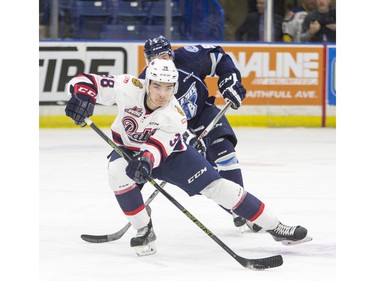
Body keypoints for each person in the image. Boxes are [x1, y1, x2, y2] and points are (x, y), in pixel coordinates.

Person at [65, 58, 312, 256]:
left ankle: (276, 227)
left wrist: (147, 161)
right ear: (148, 82)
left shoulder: (175, 115)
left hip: (172, 155)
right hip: (128, 150)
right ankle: (144, 229)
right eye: (157, 86)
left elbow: (158, 148)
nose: (163, 93)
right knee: (116, 173)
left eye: (169, 88)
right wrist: (83, 97)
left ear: (175, 87)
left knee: (220, 188)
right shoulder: (128, 86)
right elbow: (84, 80)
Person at [139, 35, 261, 232]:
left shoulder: (188, 58)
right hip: (173, 128)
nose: (163, 63)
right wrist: (180, 138)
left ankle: (244, 211)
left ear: (172, 54)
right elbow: (149, 124)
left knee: (225, 152)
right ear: (148, 61)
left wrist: (229, 80)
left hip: (203, 112)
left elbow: (218, 57)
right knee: (205, 174)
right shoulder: (145, 84)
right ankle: (234, 209)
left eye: (166, 57)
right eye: (155, 59)